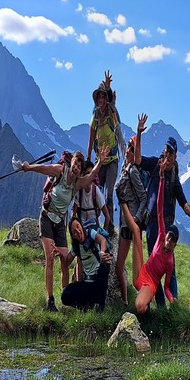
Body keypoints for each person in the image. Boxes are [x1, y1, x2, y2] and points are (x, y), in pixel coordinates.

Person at [21, 146, 107, 311]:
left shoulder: (77, 183)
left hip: (60, 222)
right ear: (71, 163)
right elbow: (44, 169)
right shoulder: (60, 171)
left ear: (80, 171)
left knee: (65, 262)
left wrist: (100, 163)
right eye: (75, 164)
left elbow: (91, 177)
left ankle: (65, 298)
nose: (76, 168)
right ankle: (50, 300)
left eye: (79, 167)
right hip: (47, 217)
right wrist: (29, 167)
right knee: (50, 258)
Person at [136, 133, 190, 306]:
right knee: (154, 268)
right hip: (152, 224)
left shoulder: (174, 179)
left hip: (166, 228)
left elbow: (184, 204)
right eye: (166, 151)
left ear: (175, 156)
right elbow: (137, 160)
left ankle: (173, 304)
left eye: (171, 153)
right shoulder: (155, 164)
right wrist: (138, 133)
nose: (167, 155)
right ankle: (161, 307)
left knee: (170, 268)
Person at [133, 157, 180, 316]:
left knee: (140, 307)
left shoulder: (170, 262)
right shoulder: (161, 237)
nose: (169, 240)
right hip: (143, 270)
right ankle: (123, 201)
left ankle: (149, 315)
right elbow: (159, 208)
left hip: (151, 283)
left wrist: (171, 298)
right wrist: (161, 180)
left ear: (174, 245)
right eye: (169, 237)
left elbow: (166, 287)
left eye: (172, 240)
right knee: (135, 230)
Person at [114, 113, 150, 303]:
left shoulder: (133, 171)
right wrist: (114, 117)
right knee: (119, 265)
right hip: (124, 222)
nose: (127, 151)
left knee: (122, 265)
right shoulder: (124, 167)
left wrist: (136, 218)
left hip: (131, 223)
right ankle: (127, 300)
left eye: (131, 149)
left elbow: (143, 197)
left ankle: (131, 300)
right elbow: (120, 140)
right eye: (128, 148)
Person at [86, 70, 124, 234]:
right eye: (99, 97)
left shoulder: (111, 112)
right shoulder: (95, 116)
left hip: (112, 161)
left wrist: (108, 88)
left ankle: (110, 228)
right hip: (99, 161)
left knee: (108, 195)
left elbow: (118, 131)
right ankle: (92, 224)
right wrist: (88, 158)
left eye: (103, 96)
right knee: (94, 192)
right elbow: (91, 138)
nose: (101, 100)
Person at [60, 217, 112, 311]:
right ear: (73, 236)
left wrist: (102, 253)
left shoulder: (90, 233)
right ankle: (85, 307)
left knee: (104, 266)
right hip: (87, 283)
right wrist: (60, 255)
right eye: (74, 231)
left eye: (78, 226)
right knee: (65, 295)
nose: (78, 231)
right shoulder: (76, 246)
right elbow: (66, 263)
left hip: (98, 281)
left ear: (81, 225)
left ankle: (100, 306)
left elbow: (102, 240)